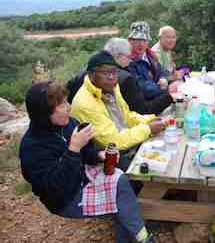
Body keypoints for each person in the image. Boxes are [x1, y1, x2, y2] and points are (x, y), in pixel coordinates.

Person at [19, 82, 156, 243]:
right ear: (44, 113)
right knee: (122, 201)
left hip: (81, 177)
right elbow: (56, 186)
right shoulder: (32, 147)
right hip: (65, 199)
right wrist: (73, 148)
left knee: (122, 182)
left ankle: (137, 236)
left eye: (66, 101)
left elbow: (87, 152)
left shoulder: (68, 124)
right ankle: (144, 238)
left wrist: (99, 155)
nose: (69, 107)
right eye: (62, 104)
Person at [70, 50, 165, 170]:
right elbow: (113, 142)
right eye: (105, 73)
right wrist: (148, 129)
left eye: (114, 72)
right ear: (91, 74)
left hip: (125, 143)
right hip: (104, 159)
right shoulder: (85, 103)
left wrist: (149, 119)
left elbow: (126, 116)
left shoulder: (111, 87)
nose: (111, 77)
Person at [66, 38, 173, 115]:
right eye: (128, 57)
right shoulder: (124, 78)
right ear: (118, 57)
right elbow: (143, 111)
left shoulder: (86, 71)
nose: (130, 61)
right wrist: (169, 96)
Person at [127, 21, 169, 100]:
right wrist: (163, 88)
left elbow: (161, 71)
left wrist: (163, 78)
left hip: (158, 97)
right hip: (144, 104)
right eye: (137, 40)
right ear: (130, 41)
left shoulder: (151, 55)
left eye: (144, 40)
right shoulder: (127, 61)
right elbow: (143, 89)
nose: (141, 44)